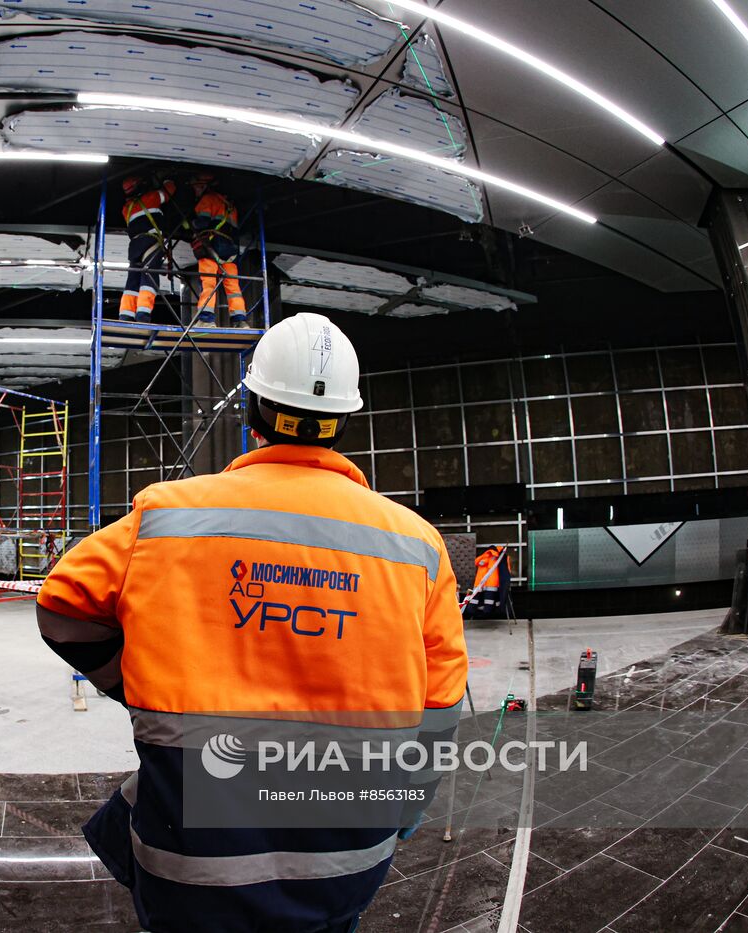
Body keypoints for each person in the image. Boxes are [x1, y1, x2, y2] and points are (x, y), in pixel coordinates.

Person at [35, 313, 468, 932]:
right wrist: (408, 800)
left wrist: (130, 687)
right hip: (347, 859)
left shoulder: (166, 517)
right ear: (342, 421)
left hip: (194, 864)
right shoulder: (417, 547)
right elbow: (441, 702)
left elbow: (63, 608)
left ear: (254, 410)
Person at [188, 172, 249, 326]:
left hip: (211, 247)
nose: (195, 190)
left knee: (208, 282)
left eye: (196, 187)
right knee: (232, 286)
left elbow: (202, 223)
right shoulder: (230, 206)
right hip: (230, 251)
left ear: (203, 186)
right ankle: (240, 321)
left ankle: (206, 319)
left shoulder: (207, 199)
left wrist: (189, 224)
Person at [120, 174, 176, 324]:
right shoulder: (151, 197)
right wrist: (166, 179)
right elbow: (169, 191)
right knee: (149, 277)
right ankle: (143, 316)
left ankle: (125, 316)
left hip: (135, 246)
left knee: (133, 280)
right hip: (151, 242)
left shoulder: (126, 208)